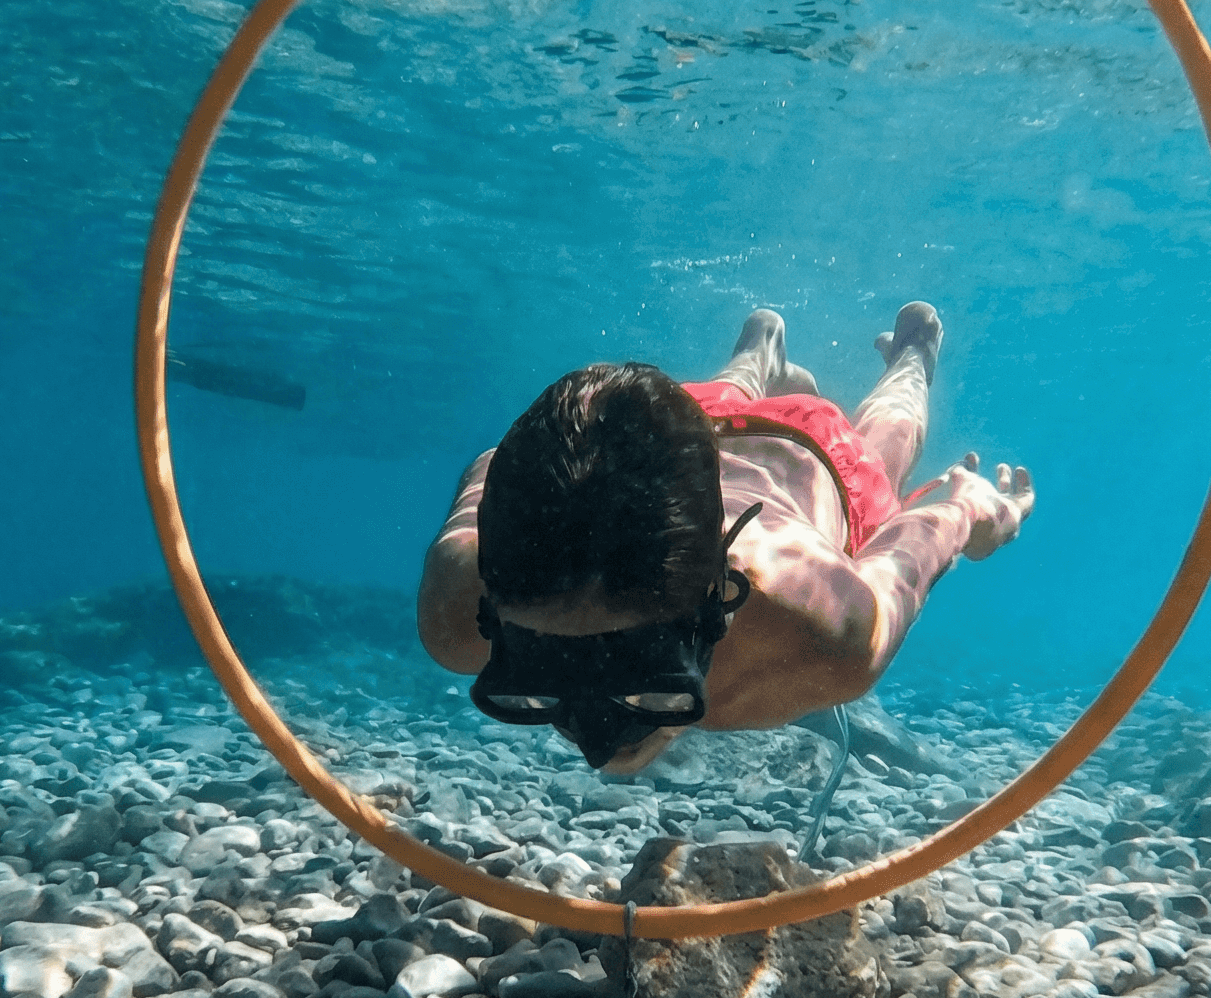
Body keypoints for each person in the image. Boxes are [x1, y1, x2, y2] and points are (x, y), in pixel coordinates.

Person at [417, 302, 1034, 773]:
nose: (594, 737)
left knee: (883, 450)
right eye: (541, 666)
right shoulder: (464, 590)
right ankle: (760, 349)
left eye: (640, 665)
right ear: (494, 608)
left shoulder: (821, 624)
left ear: (722, 597)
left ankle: (912, 359)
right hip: (669, 431)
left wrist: (969, 512)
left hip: (817, 461)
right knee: (708, 403)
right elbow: (491, 467)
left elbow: (909, 545)